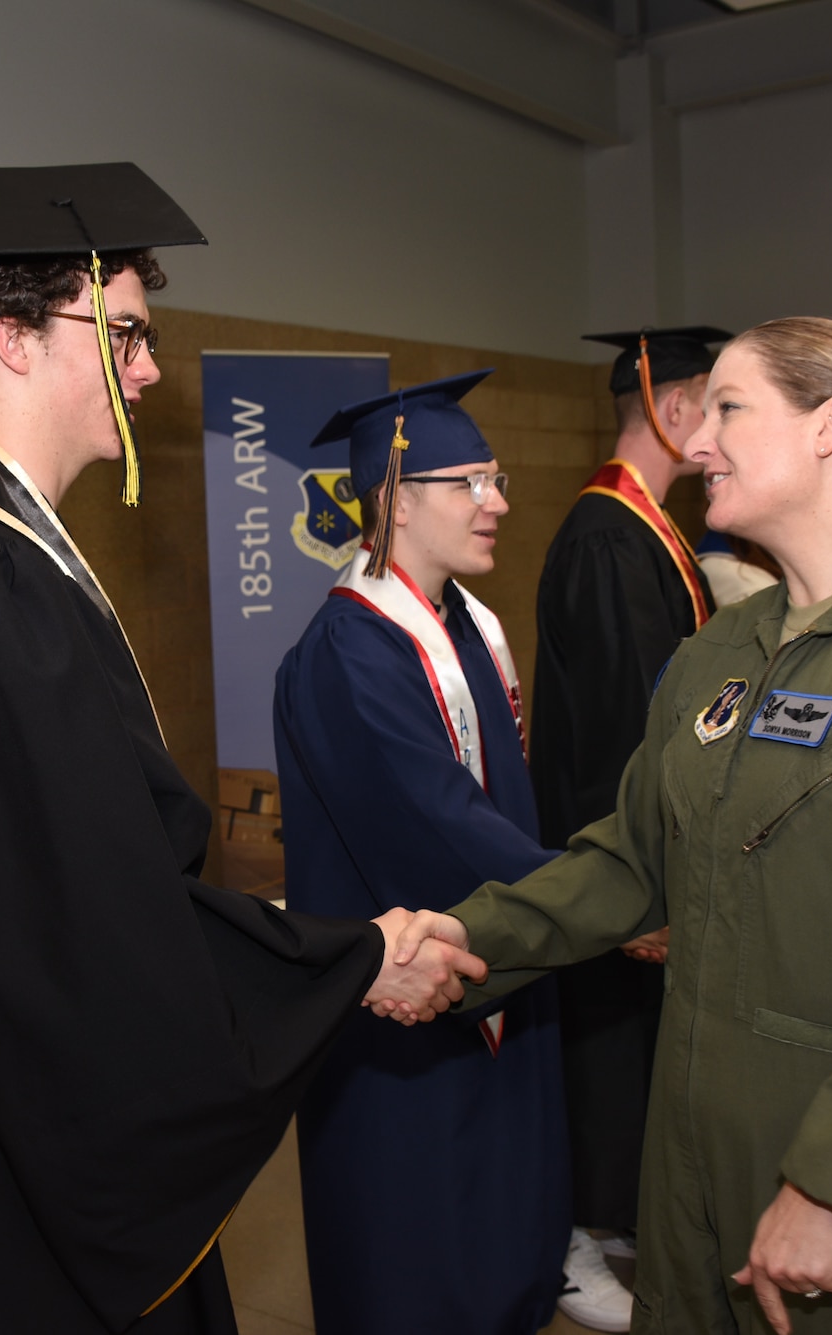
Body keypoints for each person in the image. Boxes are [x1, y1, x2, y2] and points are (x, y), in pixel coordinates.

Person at [0, 165, 479, 1335]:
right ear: (15, 340)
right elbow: (78, 931)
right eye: (123, 335)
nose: (150, 372)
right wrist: (346, 962)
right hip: (19, 1169)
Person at [395, 317, 832, 1334]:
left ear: (830, 426)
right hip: (690, 1153)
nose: (696, 440)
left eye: (727, 408)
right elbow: (632, 858)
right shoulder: (725, 646)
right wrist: (469, 936)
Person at [274, 371, 569, 1335]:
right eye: (470, 483)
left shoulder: (465, 626)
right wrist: (588, 900)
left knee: (501, 1218)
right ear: (397, 497)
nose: (499, 503)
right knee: (419, 1247)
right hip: (405, 1014)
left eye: (497, 478)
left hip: (493, 976)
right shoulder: (348, 652)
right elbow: (437, 823)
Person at [533, 325, 728, 1332]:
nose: (728, 430)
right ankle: (571, 1236)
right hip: (615, 844)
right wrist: (641, 881)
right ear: (672, 405)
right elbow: (624, 726)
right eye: (722, 405)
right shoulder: (609, 533)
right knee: (603, 1044)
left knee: (634, 1048)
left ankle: (614, 1218)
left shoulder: (648, 525)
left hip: (643, 843)